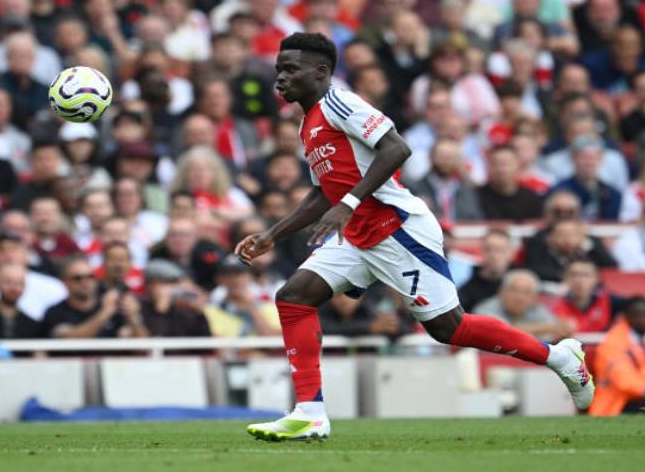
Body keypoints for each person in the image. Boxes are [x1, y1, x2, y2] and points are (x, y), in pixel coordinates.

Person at [236, 33, 594, 441]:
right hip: (357, 235)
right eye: (279, 69)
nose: (280, 78)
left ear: (320, 72)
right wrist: (271, 235)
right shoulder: (308, 125)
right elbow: (323, 192)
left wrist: (349, 203)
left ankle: (560, 357)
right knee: (293, 296)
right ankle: (309, 412)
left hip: (398, 229)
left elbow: (396, 149)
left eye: (290, 69)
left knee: (449, 328)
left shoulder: (341, 103)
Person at [43, 256, 148, 339]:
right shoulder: (55, 313)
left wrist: (134, 317)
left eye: (90, 277)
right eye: (77, 278)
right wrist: (104, 314)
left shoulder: (113, 310)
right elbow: (70, 341)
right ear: (65, 281)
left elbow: (142, 347)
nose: (85, 282)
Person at [473, 269, 572, 341]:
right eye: (514, 290)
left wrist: (562, 329)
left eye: (526, 292)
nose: (519, 298)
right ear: (501, 291)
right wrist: (546, 328)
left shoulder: (536, 309)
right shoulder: (485, 310)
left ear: (534, 298)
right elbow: (504, 334)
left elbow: (555, 331)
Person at [141, 259, 211, 338]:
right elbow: (156, 341)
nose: (173, 289)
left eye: (175, 283)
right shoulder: (141, 308)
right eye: (166, 283)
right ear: (150, 285)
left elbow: (204, 344)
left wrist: (199, 314)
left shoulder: (183, 310)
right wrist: (161, 311)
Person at [458, 229, 514, 312]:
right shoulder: (467, 290)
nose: (494, 255)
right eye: (488, 249)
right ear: (481, 252)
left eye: (500, 250)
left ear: (510, 253)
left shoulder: (522, 283)